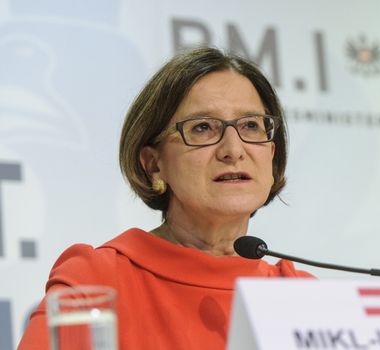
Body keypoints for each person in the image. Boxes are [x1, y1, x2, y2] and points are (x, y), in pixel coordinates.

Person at [18, 47, 312, 349]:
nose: (234, 150)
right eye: (202, 128)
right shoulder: (97, 280)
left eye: (251, 125)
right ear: (153, 164)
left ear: (272, 154)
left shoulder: (301, 295)